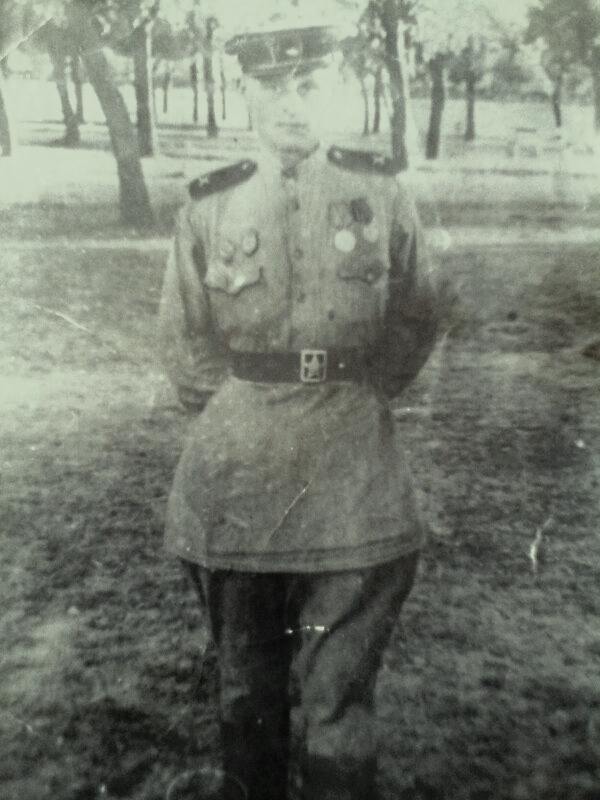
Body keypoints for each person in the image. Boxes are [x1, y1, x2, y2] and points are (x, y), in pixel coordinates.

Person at [158, 17, 440, 800]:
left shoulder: (380, 193)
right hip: (238, 484)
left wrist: (359, 391)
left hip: (354, 479)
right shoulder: (210, 205)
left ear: (336, 89)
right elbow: (183, 340)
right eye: (272, 86)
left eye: (309, 85)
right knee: (246, 690)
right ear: (247, 93)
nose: (291, 103)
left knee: (339, 697)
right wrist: (241, 412)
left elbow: (418, 313)